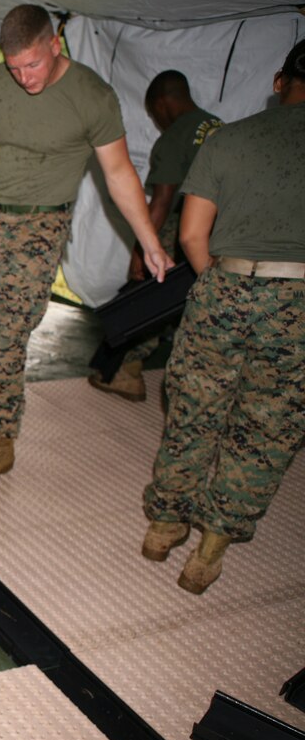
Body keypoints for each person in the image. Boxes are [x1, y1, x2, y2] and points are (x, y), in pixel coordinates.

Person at [0, 4, 171, 486]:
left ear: (54, 45)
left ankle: (1, 441)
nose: (23, 77)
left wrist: (149, 242)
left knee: (3, 340)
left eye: (32, 65)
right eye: (14, 67)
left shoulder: (91, 97)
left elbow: (119, 173)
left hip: (41, 229)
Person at [141, 40, 305, 595]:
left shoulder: (228, 138)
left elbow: (190, 234)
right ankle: (209, 552)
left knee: (192, 408)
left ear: (280, 81)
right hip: (300, 300)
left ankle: (164, 527)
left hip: (227, 284)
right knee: (265, 428)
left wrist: (223, 285)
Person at [88, 70, 223, 401]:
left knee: (153, 291)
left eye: (153, 114)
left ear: (162, 103)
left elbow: (162, 201)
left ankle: (126, 370)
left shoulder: (176, 136)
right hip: (227, 230)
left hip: (191, 223)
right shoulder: (219, 127)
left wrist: (140, 250)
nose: (157, 122)